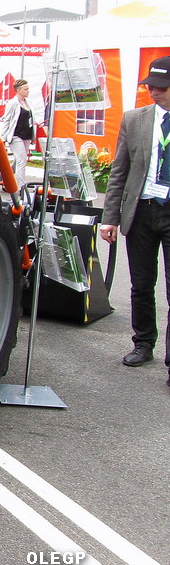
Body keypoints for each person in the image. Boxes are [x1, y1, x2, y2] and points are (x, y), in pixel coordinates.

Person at [99, 56, 170, 383]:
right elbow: (119, 172)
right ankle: (143, 343)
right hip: (140, 212)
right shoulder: (135, 119)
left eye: (161, 88)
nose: (154, 92)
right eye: (150, 87)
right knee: (141, 285)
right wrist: (109, 218)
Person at [0, 78, 36, 190]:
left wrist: (33, 136)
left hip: (26, 135)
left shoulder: (28, 103)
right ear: (18, 90)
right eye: (25, 89)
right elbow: (7, 120)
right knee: (22, 160)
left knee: (18, 161)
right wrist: (3, 138)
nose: (28, 91)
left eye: (28, 89)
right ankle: (20, 187)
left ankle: (7, 179)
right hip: (16, 136)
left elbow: (32, 120)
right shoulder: (12, 103)